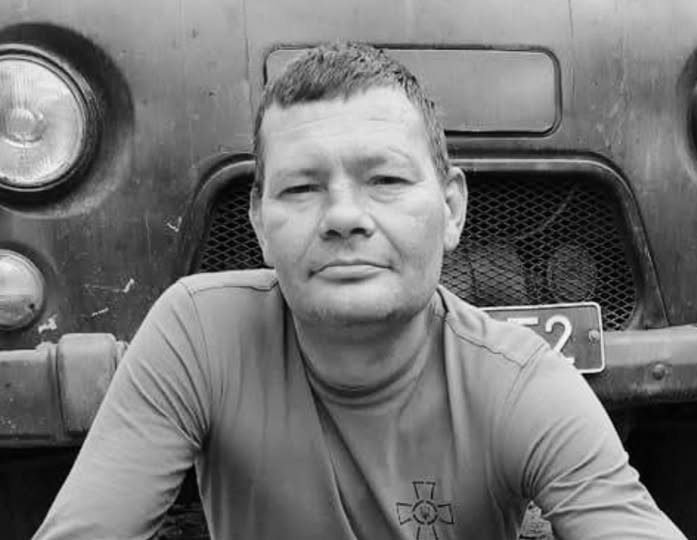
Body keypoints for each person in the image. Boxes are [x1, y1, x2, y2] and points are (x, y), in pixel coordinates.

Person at [33, 42, 685, 540]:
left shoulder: (519, 383)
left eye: (386, 181)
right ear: (258, 223)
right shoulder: (197, 334)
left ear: (452, 208)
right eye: (301, 187)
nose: (344, 217)